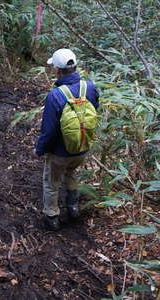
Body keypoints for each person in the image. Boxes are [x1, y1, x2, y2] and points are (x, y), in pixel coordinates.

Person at [35, 49, 99, 231]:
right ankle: (73, 208)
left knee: (51, 182)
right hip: (81, 147)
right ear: (75, 66)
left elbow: (48, 130)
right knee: (71, 174)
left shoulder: (55, 95)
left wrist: (40, 150)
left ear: (57, 70)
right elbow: (94, 111)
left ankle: (52, 216)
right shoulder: (90, 87)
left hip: (59, 152)